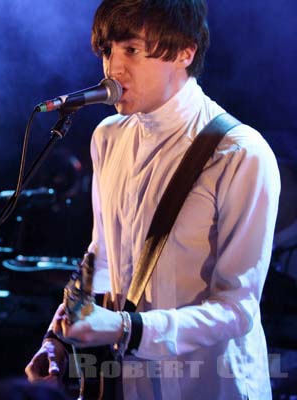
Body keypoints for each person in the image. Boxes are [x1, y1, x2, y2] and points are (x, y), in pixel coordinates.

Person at [25, 1, 279, 399]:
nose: (112, 68)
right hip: (126, 382)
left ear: (184, 51)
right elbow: (100, 257)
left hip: (211, 385)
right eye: (107, 51)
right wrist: (56, 340)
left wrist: (127, 329)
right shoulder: (108, 136)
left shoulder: (240, 153)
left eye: (131, 49)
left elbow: (238, 309)